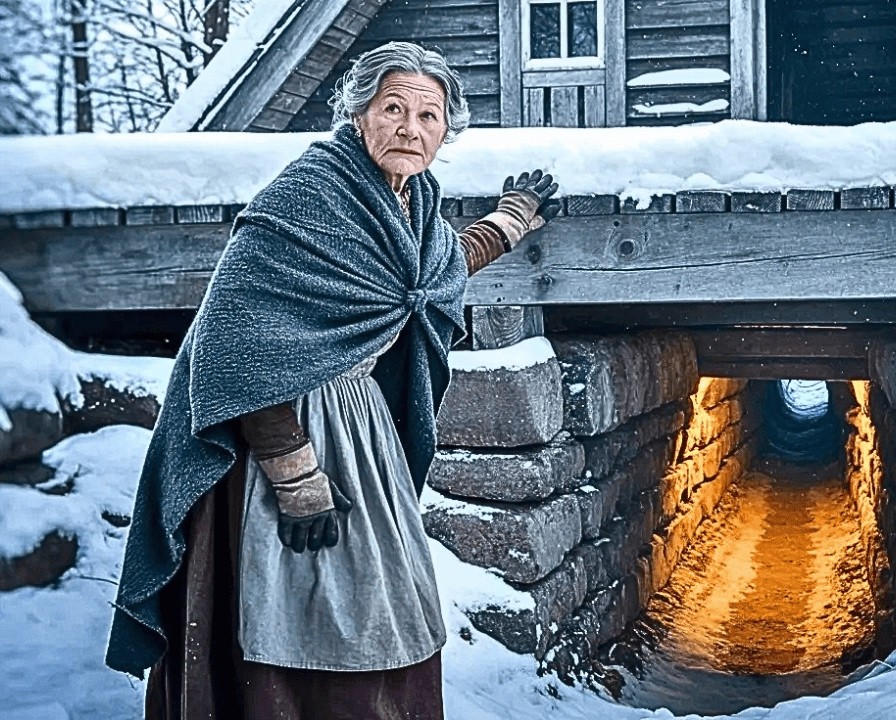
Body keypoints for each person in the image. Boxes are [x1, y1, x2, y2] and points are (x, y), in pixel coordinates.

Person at [105, 41, 560, 719]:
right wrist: (297, 480)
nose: (410, 127)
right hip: (282, 438)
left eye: (429, 115)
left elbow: (428, 271)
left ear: (447, 130)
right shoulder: (306, 196)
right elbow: (238, 345)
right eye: (393, 108)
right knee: (295, 607)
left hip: (359, 426)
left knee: (384, 604)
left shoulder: (408, 199)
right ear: (359, 115)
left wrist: (511, 218)